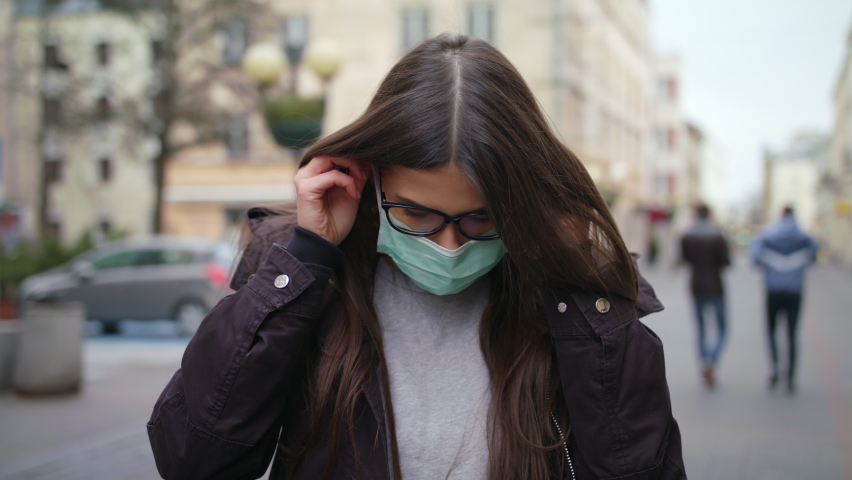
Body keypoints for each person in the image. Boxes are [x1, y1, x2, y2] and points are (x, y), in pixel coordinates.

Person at [147, 35, 686, 480]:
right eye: (416, 214)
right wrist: (303, 262)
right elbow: (193, 460)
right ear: (370, 178)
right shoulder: (299, 268)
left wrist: (576, 283)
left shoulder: (576, 295)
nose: (449, 246)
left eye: (481, 218)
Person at [751, 206, 818, 393]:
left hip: (773, 290)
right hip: (795, 291)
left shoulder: (768, 234)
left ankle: (774, 368)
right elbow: (813, 257)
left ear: (781, 216)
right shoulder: (804, 235)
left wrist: (773, 266)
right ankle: (791, 377)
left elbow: (755, 259)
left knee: (771, 330)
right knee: (792, 333)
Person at [680, 203, 730, 388]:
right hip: (716, 286)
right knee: (722, 328)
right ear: (709, 214)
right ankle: (711, 359)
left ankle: (704, 363)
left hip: (696, 285)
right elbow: (725, 261)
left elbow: (685, 259)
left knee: (701, 328)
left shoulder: (688, 234)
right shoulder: (717, 234)